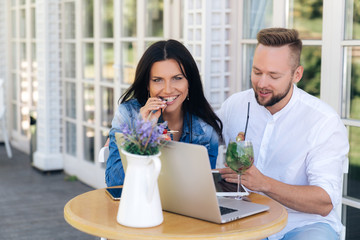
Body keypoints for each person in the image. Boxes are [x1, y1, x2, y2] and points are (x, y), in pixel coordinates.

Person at [217, 28, 349, 240]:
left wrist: (263, 183)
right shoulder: (235, 105)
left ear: (297, 74)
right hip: (245, 219)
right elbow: (201, 136)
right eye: (257, 72)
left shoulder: (324, 122)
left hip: (304, 224)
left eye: (273, 76)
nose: (261, 83)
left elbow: (324, 202)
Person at [106, 39, 223, 187]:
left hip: (181, 209)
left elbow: (202, 189)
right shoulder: (128, 114)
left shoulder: (205, 130)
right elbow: (115, 183)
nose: (168, 90)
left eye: (177, 78)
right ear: (147, 85)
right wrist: (142, 133)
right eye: (158, 80)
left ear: (190, 82)